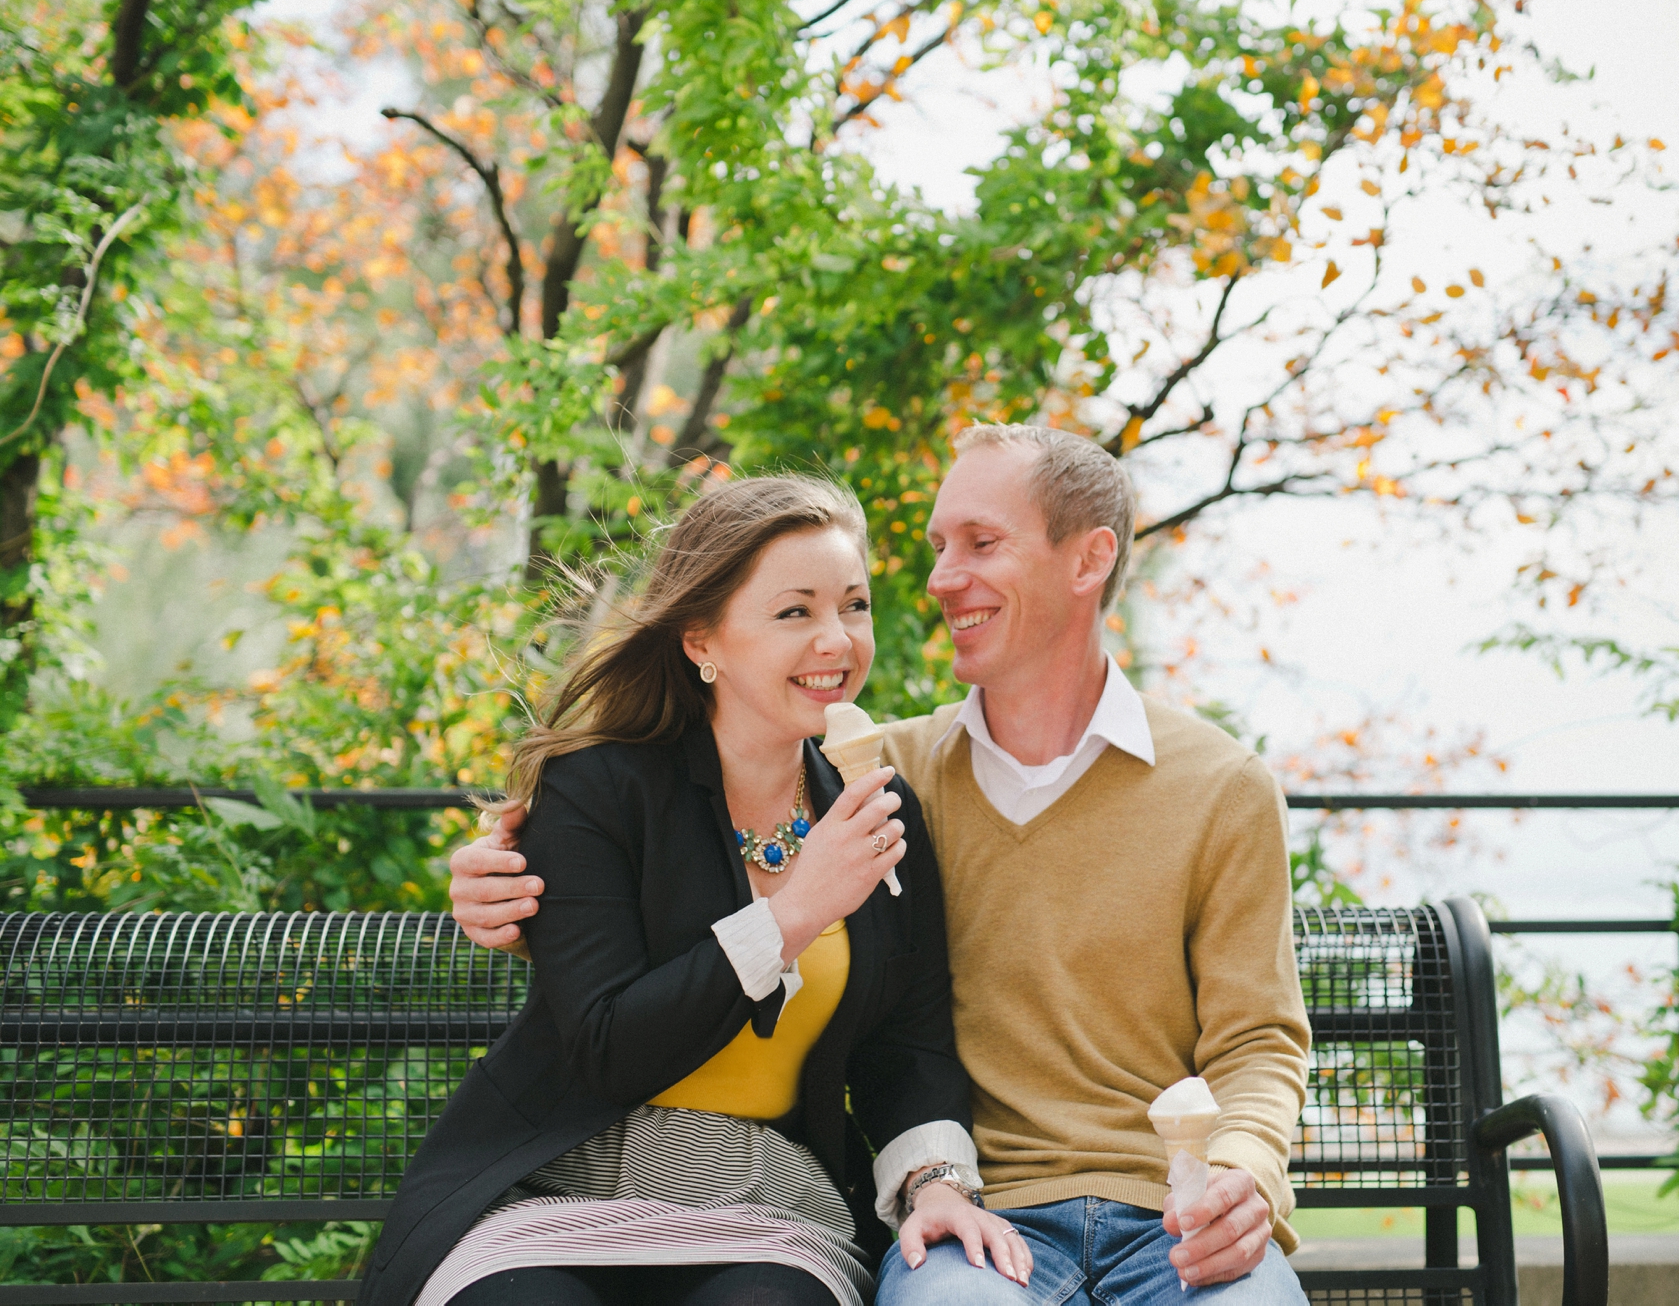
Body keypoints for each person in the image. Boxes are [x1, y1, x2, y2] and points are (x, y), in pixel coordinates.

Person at [450, 426, 1313, 1305]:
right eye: (940, 548)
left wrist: (1244, 1173)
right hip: (944, 1219)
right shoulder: (890, 776)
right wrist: (512, 887)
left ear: (1090, 559)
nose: (939, 580)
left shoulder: (1206, 785)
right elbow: (636, 917)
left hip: (1150, 1213)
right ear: (701, 638)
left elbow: (1254, 1041)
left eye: (980, 544)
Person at [358, 475, 1024, 1306]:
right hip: (559, 1188)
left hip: (765, 1201)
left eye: (854, 606)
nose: (838, 639)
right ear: (701, 638)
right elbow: (607, 1044)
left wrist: (934, 1183)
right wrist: (792, 914)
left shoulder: (878, 813)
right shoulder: (596, 788)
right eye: (795, 612)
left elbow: (907, 1046)